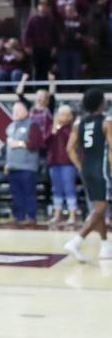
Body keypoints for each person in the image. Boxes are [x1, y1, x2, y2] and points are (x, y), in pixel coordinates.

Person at [63, 90, 112, 261]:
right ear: (100, 103)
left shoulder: (79, 122)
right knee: (101, 208)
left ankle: (105, 246)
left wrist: (79, 166)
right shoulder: (107, 122)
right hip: (101, 168)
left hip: (86, 168)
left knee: (99, 207)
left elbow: (69, 149)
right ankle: (77, 241)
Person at [5, 101, 42, 226]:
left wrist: (19, 144)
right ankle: (18, 216)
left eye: (18, 110)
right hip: (13, 166)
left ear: (26, 112)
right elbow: (8, 148)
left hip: (27, 166)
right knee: (16, 193)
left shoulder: (33, 125)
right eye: (14, 110)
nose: (15, 112)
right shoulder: (10, 126)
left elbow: (36, 143)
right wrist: (7, 163)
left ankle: (31, 216)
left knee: (28, 192)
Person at [46, 105, 79, 226]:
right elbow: (45, 141)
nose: (62, 117)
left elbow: (70, 141)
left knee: (69, 188)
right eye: (60, 114)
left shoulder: (72, 129)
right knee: (56, 189)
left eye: (65, 115)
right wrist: (54, 129)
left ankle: (72, 215)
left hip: (68, 163)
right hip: (54, 162)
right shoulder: (53, 128)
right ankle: (56, 215)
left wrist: (60, 128)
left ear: (70, 117)